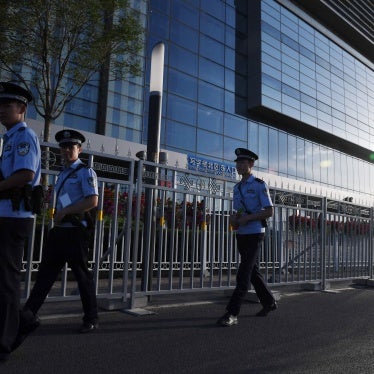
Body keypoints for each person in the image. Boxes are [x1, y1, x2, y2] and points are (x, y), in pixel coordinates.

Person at [19, 129, 99, 341]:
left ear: (79, 149)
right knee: (44, 277)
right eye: (63, 147)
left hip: (75, 233)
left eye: (70, 147)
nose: (65, 150)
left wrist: (66, 211)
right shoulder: (62, 174)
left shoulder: (85, 172)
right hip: (59, 233)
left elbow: (92, 201)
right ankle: (26, 316)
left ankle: (91, 317)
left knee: (82, 278)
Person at [0, 82, 41, 362]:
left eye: (7, 105)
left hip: (14, 218)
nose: (1, 110)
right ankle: (23, 321)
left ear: (22, 109)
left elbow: (25, 173)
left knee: (5, 282)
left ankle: (4, 343)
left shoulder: (25, 136)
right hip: (6, 215)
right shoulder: (11, 137)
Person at [217, 148, 277, 327]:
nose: (239, 166)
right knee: (252, 271)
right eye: (237, 163)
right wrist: (234, 218)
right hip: (241, 233)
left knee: (243, 272)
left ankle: (232, 313)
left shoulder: (259, 184)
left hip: (255, 233)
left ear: (251, 164)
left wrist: (248, 218)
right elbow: (239, 210)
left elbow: (269, 211)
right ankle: (269, 302)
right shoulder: (237, 188)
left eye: (243, 163)